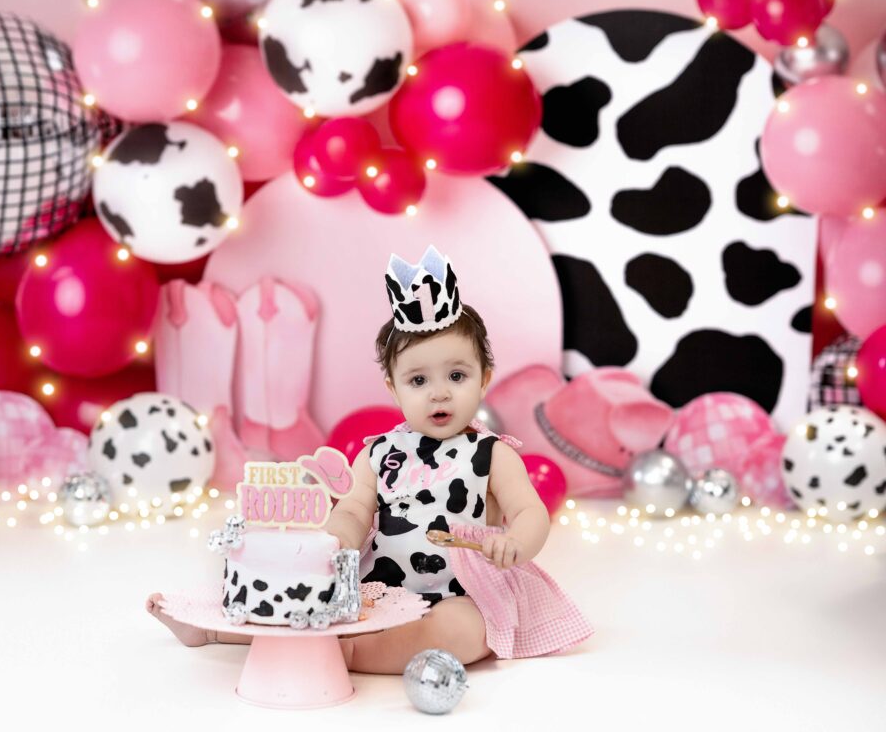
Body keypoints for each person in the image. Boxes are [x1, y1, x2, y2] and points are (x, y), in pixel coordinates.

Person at [147, 246, 593, 673]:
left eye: (457, 375)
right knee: (305, 599)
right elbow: (354, 510)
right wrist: (336, 540)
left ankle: (347, 652)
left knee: (464, 631)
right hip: (380, 585)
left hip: (459, 591)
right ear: (393, 389)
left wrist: (516, 542)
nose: (439, 392)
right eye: (418, 381)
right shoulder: (378, 453)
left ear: (484, 380)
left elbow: (529, 510)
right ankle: (213, 631)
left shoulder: (492, 453)